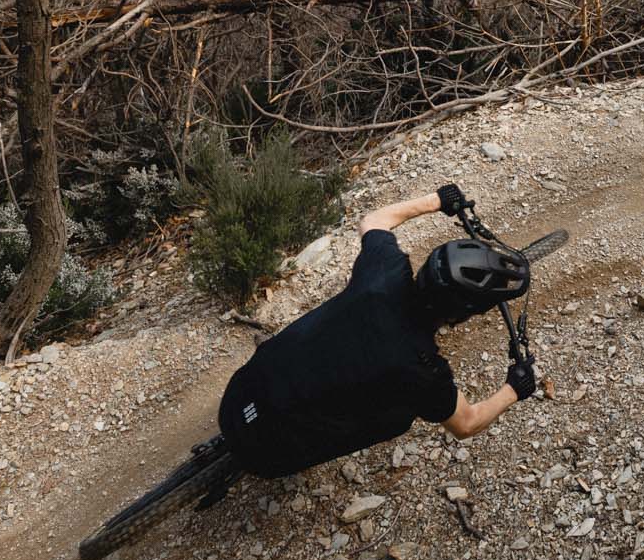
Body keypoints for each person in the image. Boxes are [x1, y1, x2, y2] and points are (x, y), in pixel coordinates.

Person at [216, 183, 538, 479]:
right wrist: (514, 388)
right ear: (462, 314)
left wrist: (437, 200)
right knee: (400, 417)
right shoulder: (422, 369)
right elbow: (466, 424)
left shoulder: (385, 270)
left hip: (241, 389)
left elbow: (373, 221)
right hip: (265, 456)